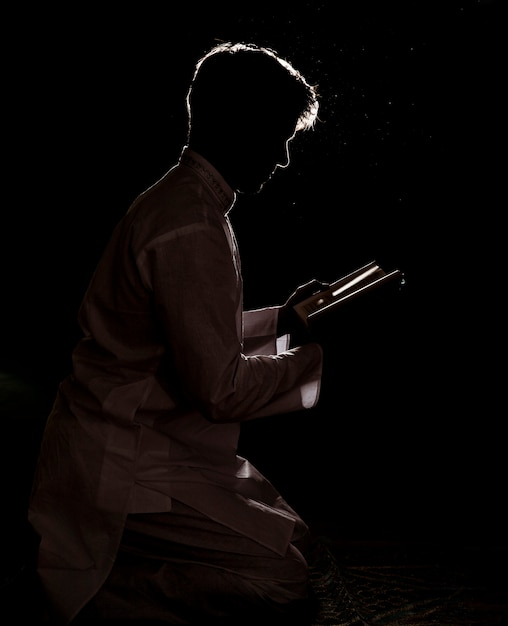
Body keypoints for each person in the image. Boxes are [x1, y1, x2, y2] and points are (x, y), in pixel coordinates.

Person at [28, 41, 327, 625]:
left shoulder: (186, 204)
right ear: (243, 125)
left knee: (301, 545)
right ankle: (101, 592)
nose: (285, 157)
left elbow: (188, 336)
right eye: (281, 135)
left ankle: (108, 570)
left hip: (141, 443)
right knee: (283, 582)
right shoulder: (190, 221)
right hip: (123, 460)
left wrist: (286, 323)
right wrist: (315, 357)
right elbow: (218, 391)